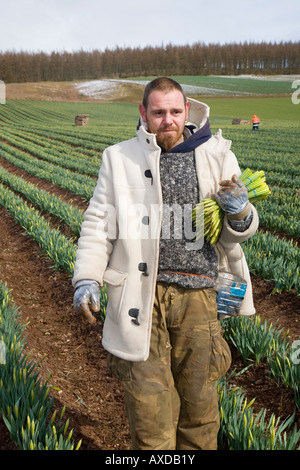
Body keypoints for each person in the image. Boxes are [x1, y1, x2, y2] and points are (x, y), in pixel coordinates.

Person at [72, 77, 259, 450]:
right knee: (148, 412)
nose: (167, 120)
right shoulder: (119, 158)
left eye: (175, 111)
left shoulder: (218, 154)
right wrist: (86, 278)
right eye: (158, 112)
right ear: (143, 113)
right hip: (143, 299)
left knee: (200, 411)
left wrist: (241, 215)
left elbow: (237, 233)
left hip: (201, 299)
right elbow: (97, 225)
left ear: (187, 111)